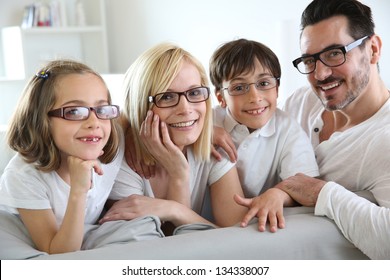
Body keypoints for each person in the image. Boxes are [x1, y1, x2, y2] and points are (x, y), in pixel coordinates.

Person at [279, 0, 390, 259]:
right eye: (310, 60)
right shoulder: (301, 102)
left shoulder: (384, 139)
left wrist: (322, 193)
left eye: (334, 53)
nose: (320, 74)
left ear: (373, 49)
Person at [99, 42, 247, 231]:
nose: (185, 109)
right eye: (167, 97)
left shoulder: (216, 149)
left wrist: (177, 211)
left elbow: (238, 239)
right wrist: (178, 176)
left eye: (194, 93)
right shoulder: (122, 163)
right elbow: (170, 254)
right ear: (141, 106)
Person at [0, 59, 123, 254]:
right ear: (42, 119)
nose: (94, 122)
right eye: (74, 111)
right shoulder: (23, 176)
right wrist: (78, 191)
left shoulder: (108, 142)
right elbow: (60, 254)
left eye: (101, 109)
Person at [209, 38, 319, 232]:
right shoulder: (209, 121)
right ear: (221, 97)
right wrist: (204, 133)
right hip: (203, 222)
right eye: (239, 87)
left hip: (250, 227)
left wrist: (279, 194)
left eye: (263, 83)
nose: (255, 97)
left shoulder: (288, 130)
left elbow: (304, 184)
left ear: (277, 89)